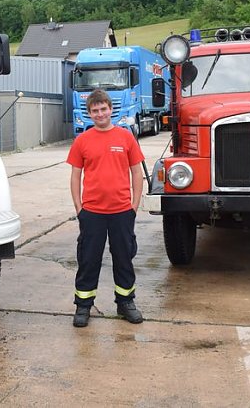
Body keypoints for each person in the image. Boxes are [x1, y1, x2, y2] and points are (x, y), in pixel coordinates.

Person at [66, 89, 145, 327]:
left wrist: (134, 206)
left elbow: (137, 173)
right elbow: (75, 176)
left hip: (122, 211)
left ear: (111, 109)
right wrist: (79, 208)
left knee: (124, 258)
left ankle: (125, 303)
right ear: (89, 113)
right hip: (92, 213)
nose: (100, 114)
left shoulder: (126, 137)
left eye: (103, 109)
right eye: (95, 110)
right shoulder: (82, 141)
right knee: (88, 260)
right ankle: (83, 305)